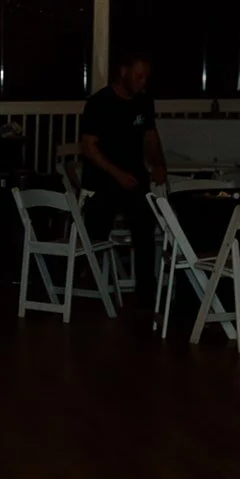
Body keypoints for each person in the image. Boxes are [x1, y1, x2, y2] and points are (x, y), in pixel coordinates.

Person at [79, 51, 167, 307]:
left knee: (144, 226)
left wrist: (158, 163)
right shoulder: (99, 103)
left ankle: (146, 292)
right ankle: (93, 286)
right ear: (123, 72)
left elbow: (150, 136)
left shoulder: (143, 101)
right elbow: (88, 146)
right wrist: (116, 174)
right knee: (98, 228)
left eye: (145, 78)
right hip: (103, 177)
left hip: (135, 177)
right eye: (138, 77)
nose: (142, 82)